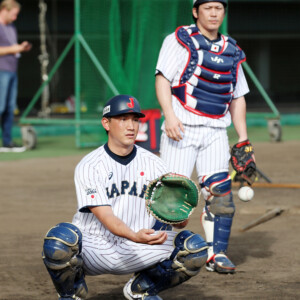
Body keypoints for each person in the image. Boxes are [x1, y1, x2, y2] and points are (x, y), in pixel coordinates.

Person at [42, 94, 208, 300]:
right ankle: (72, 293)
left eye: (135, 120)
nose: (131, 126)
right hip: (96, 247)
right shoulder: (90, 165)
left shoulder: (155, 164)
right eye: (123, 119)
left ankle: (142, 289)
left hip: (140, 247)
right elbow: (107, 217)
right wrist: (133, 235)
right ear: (106, 123)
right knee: (59, 241)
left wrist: (177, 217)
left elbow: (176, 220)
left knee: (195, 249)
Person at [155, 0, 254, 274]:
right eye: (207, 7)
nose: (213, 13)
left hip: (215, 131)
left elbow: (237, 97)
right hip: (182, 127)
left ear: (223, 12)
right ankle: (159, 254)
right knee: (172, 197)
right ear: (196, 11)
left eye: (218, 8)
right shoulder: (179, 40)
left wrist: (243, 139)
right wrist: (169, 116)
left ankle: (216, 254)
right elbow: (162, 79)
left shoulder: (232, 50)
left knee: (220, 194)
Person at [0, 0, 31, 152]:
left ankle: (7, 142)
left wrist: (20, 47)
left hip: (12, 71)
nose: (15, 18)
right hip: (1, 71)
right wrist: (13, 48)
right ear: (5, 9)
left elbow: (13, 47)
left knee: (9, 108)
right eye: (13, 14)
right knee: (0, 107)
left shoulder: (11, 28)